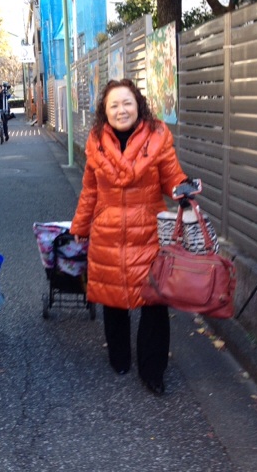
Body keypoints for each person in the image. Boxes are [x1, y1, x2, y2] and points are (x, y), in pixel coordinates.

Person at [70, 78, 189, 396]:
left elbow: (172, 177)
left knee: (153, 301)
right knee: (113, 299)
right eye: (114, 105)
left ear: (139, 105)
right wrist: (80, 227)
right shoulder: (96, 142)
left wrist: (184, 188)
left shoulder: (157, 137)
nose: (121, 110)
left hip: (148, 231)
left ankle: (153, 370)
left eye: (127, 103)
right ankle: (119, 356)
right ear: (104, 111)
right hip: (107, 231)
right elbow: (90, 191)